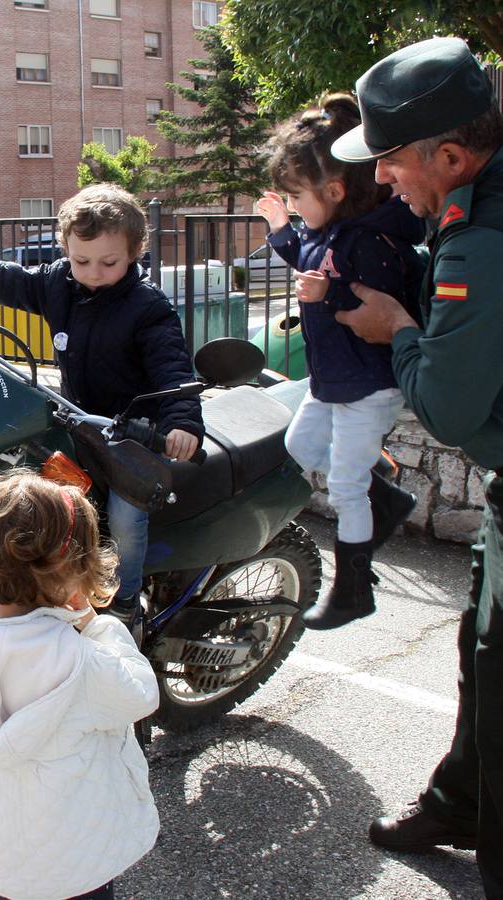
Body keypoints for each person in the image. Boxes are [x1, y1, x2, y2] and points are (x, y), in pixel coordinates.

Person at [330, 36, 503, 894]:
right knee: (481, 653)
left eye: (391, 161)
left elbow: (446, 405)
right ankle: (459, 801)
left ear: (450, 155)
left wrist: (395, 329)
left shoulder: (484, 235)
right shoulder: (471, 207)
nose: (384, 178)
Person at [0, 184, 204, 627]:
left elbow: (173, 368)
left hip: (134, 435)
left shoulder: (148, 307)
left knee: (123, 517)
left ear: (136, 251)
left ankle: (124, 602)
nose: (93, 272)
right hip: (75, 419)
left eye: (108, 262)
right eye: (82, 261)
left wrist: (182, 422)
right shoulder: (59, 282)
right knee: (23, 488)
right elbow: (3, 279)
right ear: (65, 249)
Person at [0, 469, 159, 900]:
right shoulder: (79, 662)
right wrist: (94, 623)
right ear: (71, 572)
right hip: (76, 859)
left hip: (2, 850)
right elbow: (141, 694)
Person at [254, 93, 426, 629]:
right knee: (300, 446)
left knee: (346, 489)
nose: (295, 206)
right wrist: (283, 227)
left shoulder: (370, 242)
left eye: (297, 196)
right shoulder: (328, 233)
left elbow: (371, 309)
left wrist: (326, 297)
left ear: (334, 190)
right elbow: (307, 260)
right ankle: (386, 493)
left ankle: (354, 588)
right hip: (332, 379)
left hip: (366, 384)